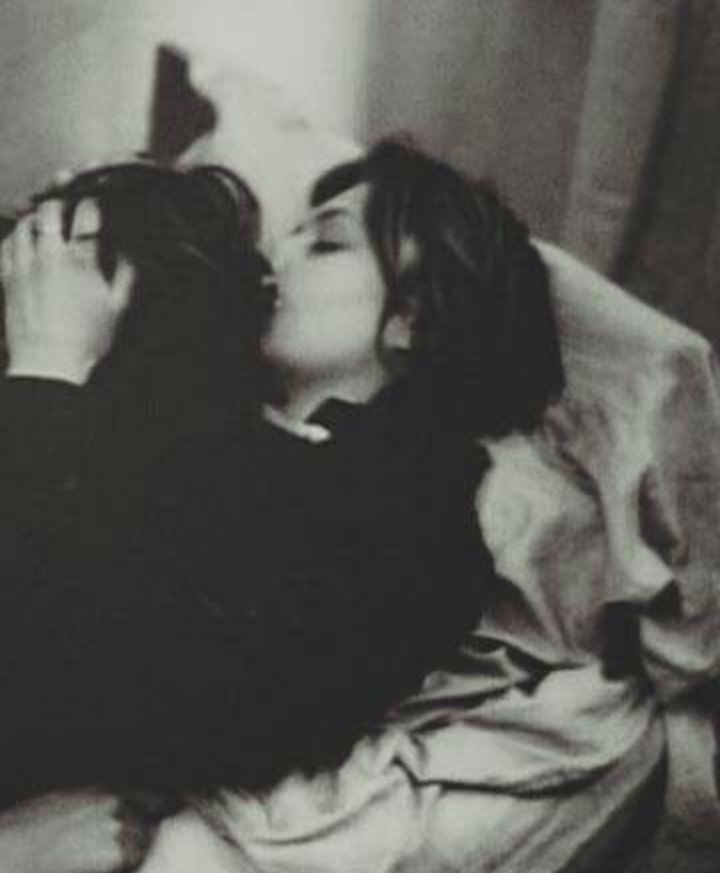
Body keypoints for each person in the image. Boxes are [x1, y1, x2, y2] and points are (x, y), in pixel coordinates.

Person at [0, 139, 564, 870]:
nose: (275, 254)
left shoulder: (410, 525)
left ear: (413, 317)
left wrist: (46, 368)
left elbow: (160, 684)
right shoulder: (206, 408)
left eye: (324, 243)